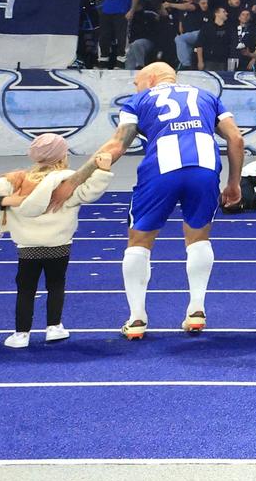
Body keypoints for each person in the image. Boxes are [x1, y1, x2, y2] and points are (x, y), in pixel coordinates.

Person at [87, 63, 245, 338]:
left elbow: (118, 145)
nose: (136, 87)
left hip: (161, 168)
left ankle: (137, 318)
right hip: (204, 167)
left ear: (149, 79)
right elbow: (236, 138)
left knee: (139, 242)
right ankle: (196, 309)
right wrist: (233, 182)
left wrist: (80, 175)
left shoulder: (138, 100)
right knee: (198, 239)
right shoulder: (206, 96)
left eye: (137, 82)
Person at [2, 135, 112, 347]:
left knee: (25, 289)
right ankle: (54, 327)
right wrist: (103, 171)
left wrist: (12, 200)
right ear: (63, 155)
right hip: (59, 245)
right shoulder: (67, 180)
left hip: (27, 247)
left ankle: (21, 334)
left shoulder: (17, 180)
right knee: (56, 284)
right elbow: (90, 193)